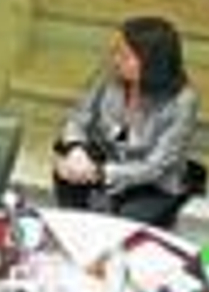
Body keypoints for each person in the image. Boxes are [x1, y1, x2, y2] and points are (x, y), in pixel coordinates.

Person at [52, 15, 200, 229]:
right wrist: (76, 150)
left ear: (151, 60)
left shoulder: (182, 101)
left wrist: (101, 173)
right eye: (116, 52)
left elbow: (155, 166)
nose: (116, 60)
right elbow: (78, 118)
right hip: (108, 160)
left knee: (125, 225)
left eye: (125, 55)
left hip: (150, 183)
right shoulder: (109, 76)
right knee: (66, 167)